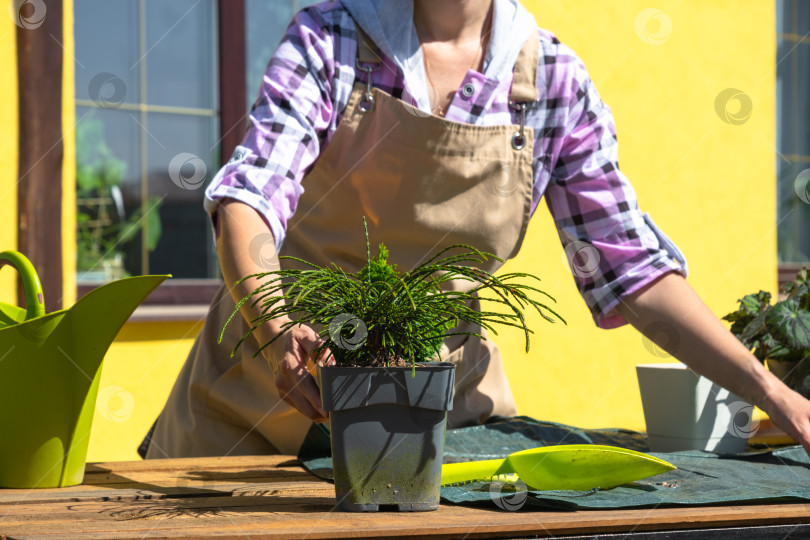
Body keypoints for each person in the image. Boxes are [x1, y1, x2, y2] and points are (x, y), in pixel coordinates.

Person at [144, 0, 810, 459]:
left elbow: (630, 273)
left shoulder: (552, 81)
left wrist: (771, 392)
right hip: (264, 405)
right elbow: (250, 196)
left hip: (437, 421)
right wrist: (274, 322)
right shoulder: (330, 40)